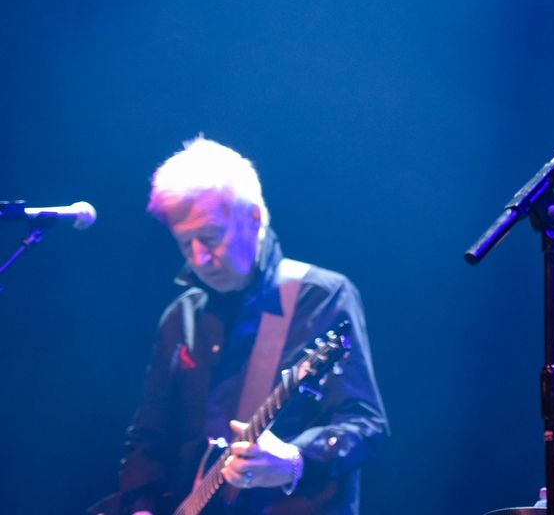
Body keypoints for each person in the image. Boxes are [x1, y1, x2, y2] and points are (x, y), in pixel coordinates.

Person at [91, 137, 388, 514]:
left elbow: (364, 423)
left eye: (210, 237)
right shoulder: (180, 317)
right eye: (185, 245)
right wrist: (141, 506)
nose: (199, 257)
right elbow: (147, 440)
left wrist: (294, 462)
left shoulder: (320, 297)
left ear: (253, 217)